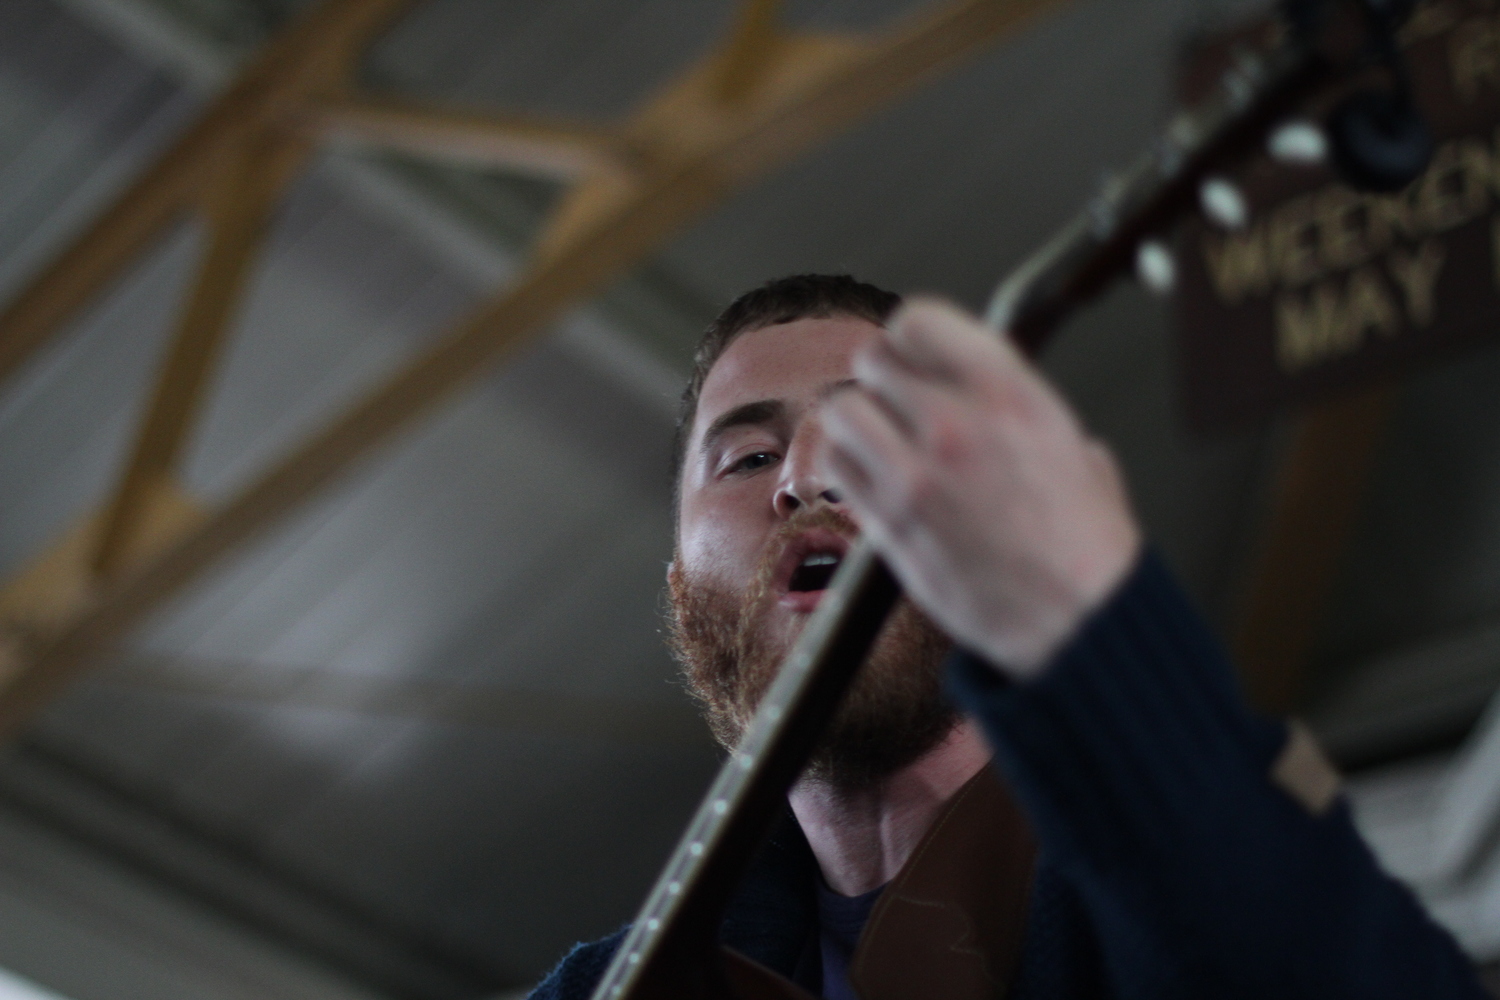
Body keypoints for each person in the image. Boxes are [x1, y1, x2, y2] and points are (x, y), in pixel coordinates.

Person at [530, 275, 1486, 999]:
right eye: (748, 456)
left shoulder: (1179, 877)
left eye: (871, 436)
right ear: (680, 590)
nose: (810, 478)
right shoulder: (610, 986)